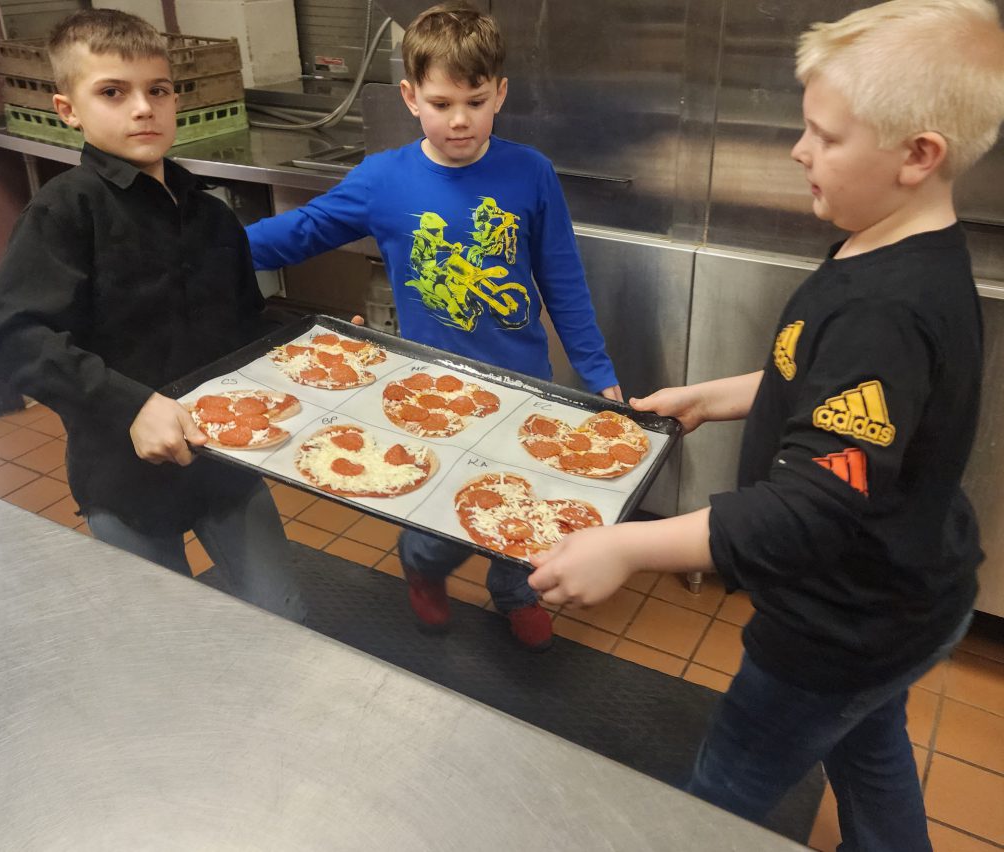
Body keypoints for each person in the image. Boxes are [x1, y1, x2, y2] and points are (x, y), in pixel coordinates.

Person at [528, 0, 1004, 847]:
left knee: (720, 793)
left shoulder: (885, 311)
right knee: (868, 745)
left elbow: (811, 507)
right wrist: (716, 396)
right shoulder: (900, 248)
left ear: (917, 155)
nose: (798, 150)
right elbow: (824, 386)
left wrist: (630, 545)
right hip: (906, 598)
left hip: (836, 625)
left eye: (824, 135)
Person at [246, 1, 621, 651]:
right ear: (410, 95)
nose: (459, 120)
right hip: (427, 393)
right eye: (442, 102)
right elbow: (298, 233)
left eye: (475, 101)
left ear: (500, 93)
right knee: (439, 510)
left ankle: (515, 591)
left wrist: (600, 377)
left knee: (517, 502)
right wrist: (205, 244)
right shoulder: (384, 180)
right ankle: (422, 566)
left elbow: (563, 281)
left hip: (521, 384)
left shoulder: (529, 172)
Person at [0, 9, 306, 623]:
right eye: (112, 92)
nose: (142, 109)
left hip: (222, 462)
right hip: (120, 473)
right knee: (165, 629)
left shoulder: (211, 216)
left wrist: (311, 352)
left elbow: (243, 323)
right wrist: (133, 404)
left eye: (157, 90)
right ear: (67, 108)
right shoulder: (63, 214)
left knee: (282, 613)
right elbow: (11, 338)